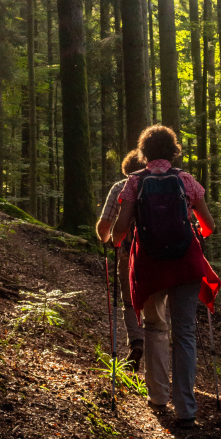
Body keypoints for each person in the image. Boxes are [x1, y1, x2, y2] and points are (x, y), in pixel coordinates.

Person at [111, 125, 221, 429]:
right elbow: (209, 225)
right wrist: (191, 224)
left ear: (144, 153)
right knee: (184, 331)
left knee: (155, 328)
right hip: (185, 262)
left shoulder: (134, 183)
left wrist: (113, 240)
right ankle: (186, 409)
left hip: (150, 265)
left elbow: (120, 229)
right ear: (174, 151)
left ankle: (158, 396)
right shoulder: (186, 181)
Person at [96, 150, 146, 371]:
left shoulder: (120, 187)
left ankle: (137, 342)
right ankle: (158, 354)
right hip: (162, 256)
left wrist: (106, 241)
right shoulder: (166, 183)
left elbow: (105, 224)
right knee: (158, 306)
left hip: (128, 253)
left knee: (129, 302)